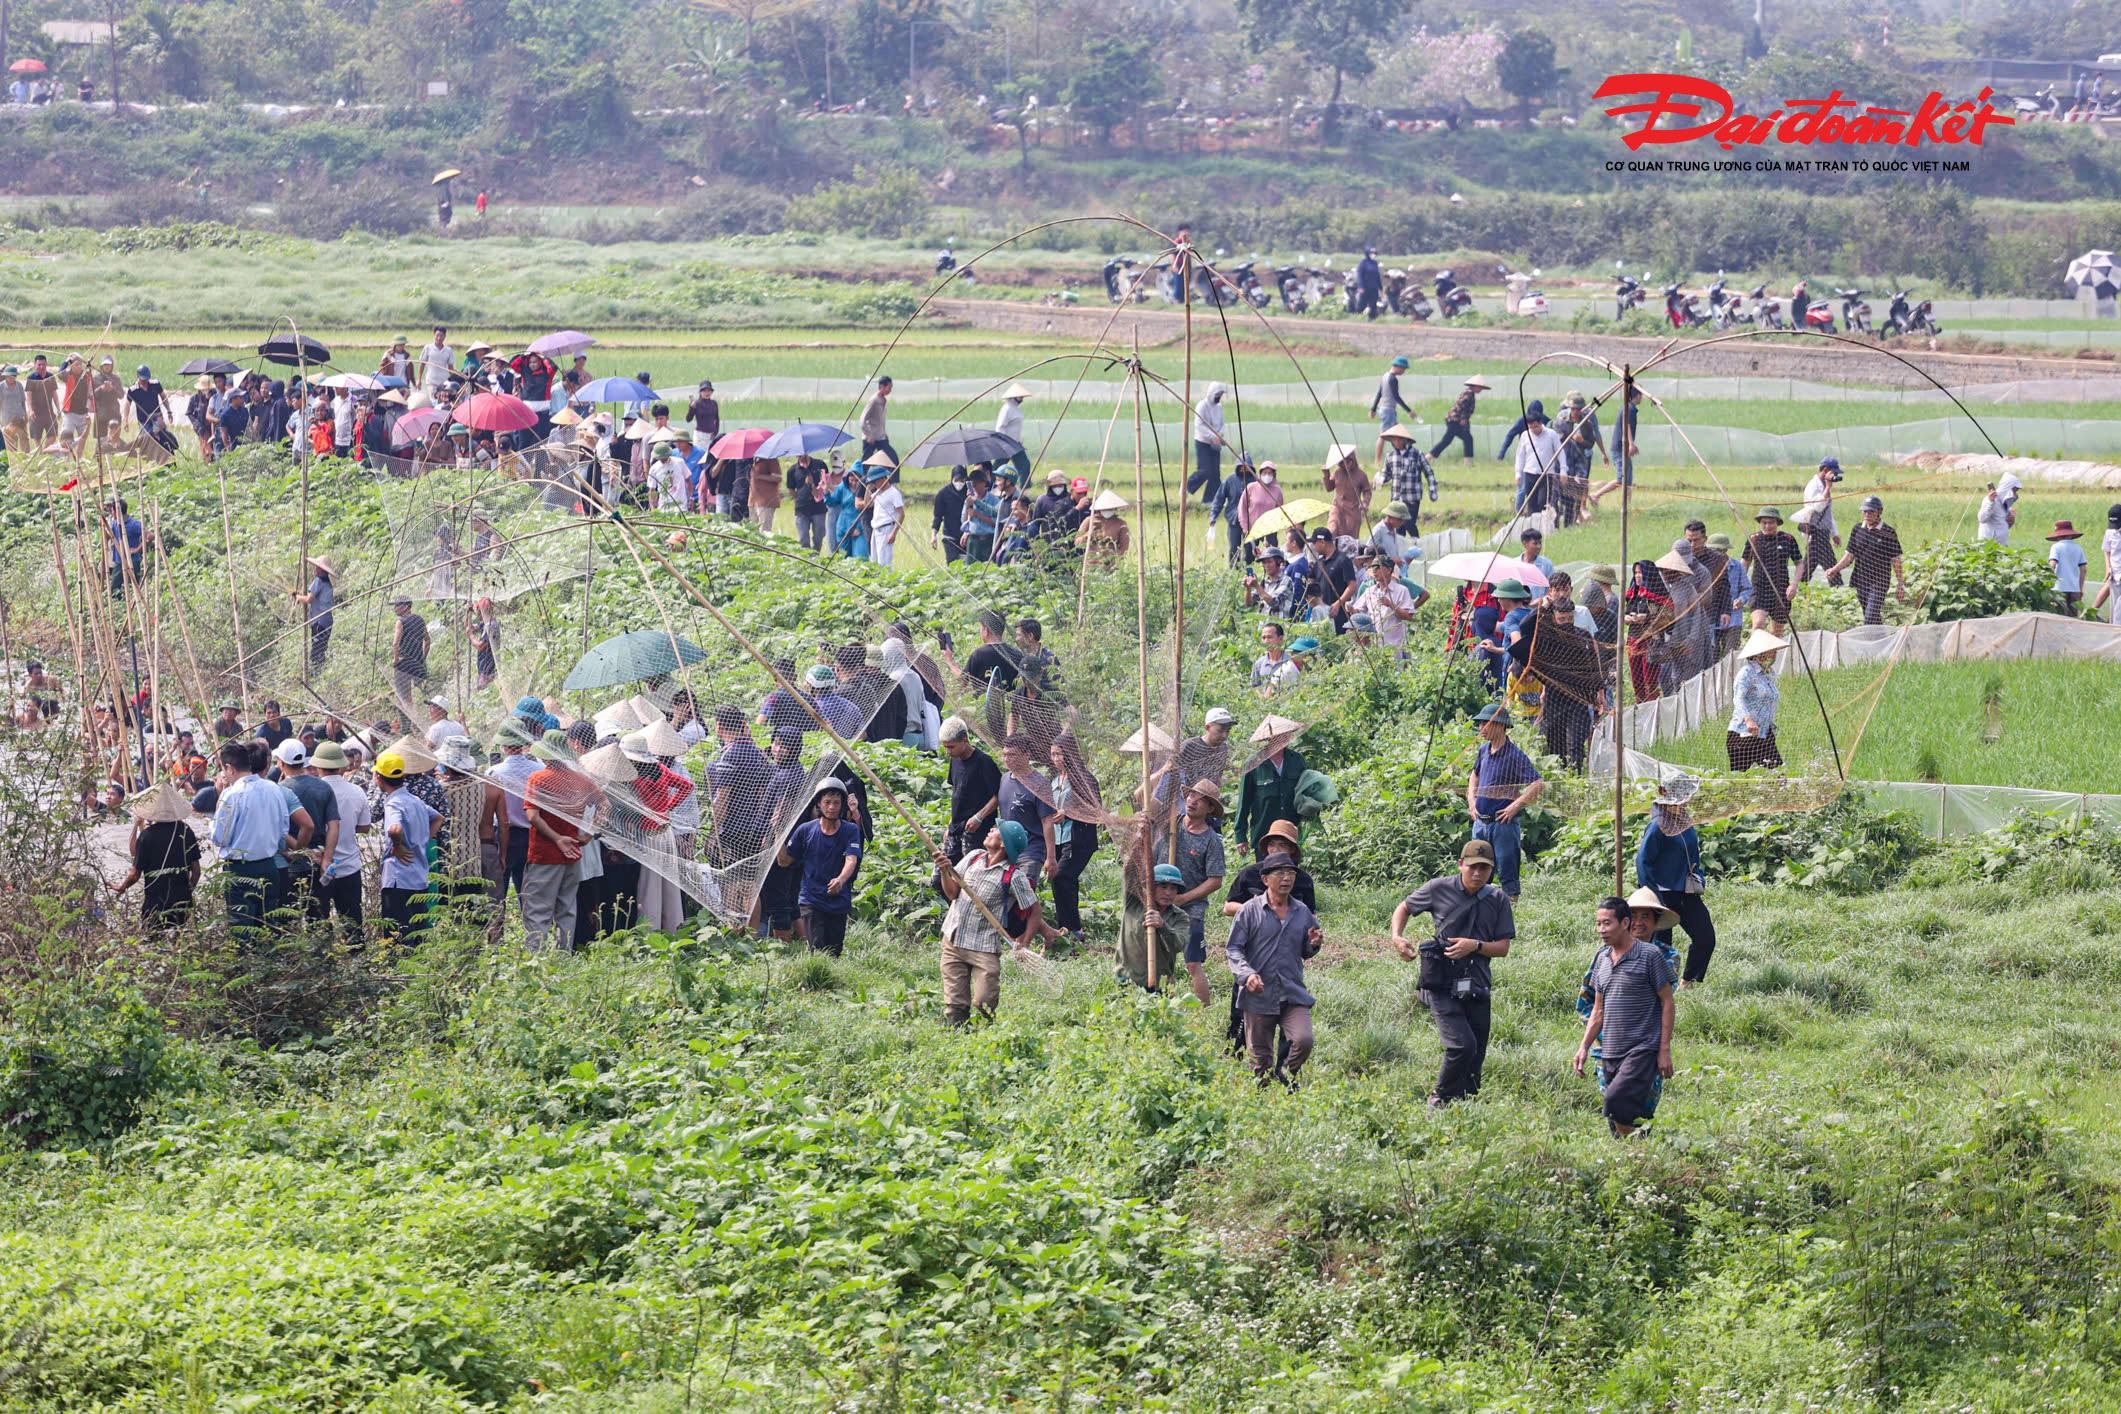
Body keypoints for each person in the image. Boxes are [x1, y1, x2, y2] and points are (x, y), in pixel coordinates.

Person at [1391, 837, 1515, 1108]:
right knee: (1461, 1046)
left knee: (1476, 1053)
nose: (1477, 873)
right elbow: (1405, 907)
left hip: (1478, 983)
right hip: (1441, 982)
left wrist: (1475, 946)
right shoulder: (1438, 888)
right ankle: (1439, 1099)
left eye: (1484, 868)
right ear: (1460, 864)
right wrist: (1397, 937)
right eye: (1472, 867)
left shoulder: (1498, 899)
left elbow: (1503, 948)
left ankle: (1465, 1108)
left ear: (1491, 870)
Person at [1572, 893, 1676, 1138]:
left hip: (1642, 1045)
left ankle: (1640, 1150)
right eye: (1598, 924)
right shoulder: (1603, 958)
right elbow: (1596, 1008)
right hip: (1609, 1047)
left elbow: (1667, 1001)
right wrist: (1584, 1046)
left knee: (1618, 1102)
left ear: (1623, 923)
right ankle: (1635, 1154)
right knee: (1617, 1110)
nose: (1601, 929)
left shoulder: (1656, 955)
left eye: (1606, 923)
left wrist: (1664, 1049)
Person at [1226, 853, 1323, 1086]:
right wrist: (1247, 974)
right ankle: (1263, 1097)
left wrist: (1313, 944)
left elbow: (1305, 952)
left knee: (1303, 1039)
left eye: (1290, 873)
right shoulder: (1249, 911)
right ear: (1265, 879)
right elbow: (1233, 949)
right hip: (1259, 994)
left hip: (1291, 991)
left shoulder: (1303, 913)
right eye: (1279, 873)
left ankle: (1285, 1075)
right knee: (1260, 1060)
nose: (1286, 878)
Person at [935, 820, 1038, 1024]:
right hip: (953, 939)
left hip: (984, 947)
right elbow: (953, 893)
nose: (990, 830)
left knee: (985, 1001)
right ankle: (958, 1036)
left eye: (996, 831)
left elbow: (1034, 910)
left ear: (1003, 844)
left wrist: (1024, 942)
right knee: (955, 1003)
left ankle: (986, 1035)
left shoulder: (1013, 876)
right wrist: (945, 871)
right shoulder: (974, 858)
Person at [1636, 778, 1716, 985]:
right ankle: (1659, 990)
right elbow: (1643, 861)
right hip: (1663, 895)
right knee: (1662, 946)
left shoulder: (1683, 819)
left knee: (1705, 938)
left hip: (1686, 893)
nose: (1688, 799)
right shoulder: (1658, 825)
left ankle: (1688, 982)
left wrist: (1699, 877)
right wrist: (1653, 896)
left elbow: (1694, 855)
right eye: (1684, 795)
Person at [1156, 780, 1228, 1006]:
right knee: (1162, 958)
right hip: (1161, 903)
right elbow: (1141, 796)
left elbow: (1215, 881)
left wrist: (1184, 898)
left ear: (1210, 809)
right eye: (1190, 796)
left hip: (1191, 908)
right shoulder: (1171, 823)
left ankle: (1203, 1012)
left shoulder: (1211, 841)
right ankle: (1168, 1006)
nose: (1192, 801)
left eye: (1200, 799)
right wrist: (1166, 770)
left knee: (1192, 962)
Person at [1465, 703, 1543, 900]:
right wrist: (1471, 801)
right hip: (1481, 823)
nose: (1481, 728)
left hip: (1503, 825)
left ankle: (1511, 913)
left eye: (1485, 724)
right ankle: (1480, 909)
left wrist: (1515, 806)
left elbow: (1538, 784)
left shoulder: (1514, 755)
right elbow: (1474, 776)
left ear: (1500, 725)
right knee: (1478, 870)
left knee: (1508, 871)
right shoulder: (1483, 751)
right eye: (1480, 724)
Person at [778, 780, 862, 956]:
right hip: (811, 900)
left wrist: (840, 879)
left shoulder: (850, 830)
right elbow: (784, 861)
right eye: (827, 802)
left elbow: (851, 860)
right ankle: (814, 981)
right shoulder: (805, 830)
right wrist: (778, 830)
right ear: (818, 804)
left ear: (842, 805)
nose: (832, 807)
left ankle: (830, 983)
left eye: (836, 803)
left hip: (839, 900)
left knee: (834, 952)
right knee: (817, 949)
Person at [114, 784, 203, 928]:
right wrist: (186, 892)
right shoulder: (187, 832)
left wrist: (121, 887)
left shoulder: (146, 836)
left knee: (153, 943)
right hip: (181, 903)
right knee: (178, 944)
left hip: (155, 903)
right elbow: (196, 872)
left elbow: (135, 874)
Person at [375, 750, 439, 942]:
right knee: (417, 934)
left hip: (398, 879)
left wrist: (398, 845)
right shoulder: (416, 801)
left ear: (379, 778)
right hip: (418, 877)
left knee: (398, 937)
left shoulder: (393, 803)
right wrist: (422, 839)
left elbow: (394, 829)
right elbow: (438, 817)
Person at [308, 741, 368, 937]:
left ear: (317, 766)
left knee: (319, 924)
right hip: (350, 867)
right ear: (342, 766)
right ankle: (358, 961)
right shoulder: (357, 792)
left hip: (318, 867)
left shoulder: (312, 792)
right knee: (352, 923)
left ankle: (325, 964)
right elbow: (365, 827)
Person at [1826, 495, 1906, 626]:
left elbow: (1895, 560)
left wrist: (1900, 584)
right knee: (1872, 618)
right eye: (1864, 511)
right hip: (1861, 580)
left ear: (1880, 511)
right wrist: (1834, 569)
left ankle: (1871, 644)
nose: (1867, 514)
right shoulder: (1858, 529)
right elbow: (1849, 556)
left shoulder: (1888, 532)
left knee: (1869, 617)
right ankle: (1883, 641)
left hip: (1880, 582)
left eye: (1871, 511)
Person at [1233, 715, 1307, 855]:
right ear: (1269, 738)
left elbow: (1305, 792)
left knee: (1288, 873)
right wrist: (1240, 836)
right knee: (1266, 873)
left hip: (1290, 832)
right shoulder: (1254, 763)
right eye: (1280, 735)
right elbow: (1244, 802)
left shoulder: (1297, 760)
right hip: (1264, 834)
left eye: (1286, 734)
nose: (1285, 738)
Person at [1117, 863, 1188, 992]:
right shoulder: (1134, 903)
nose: (1168, 893)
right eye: (1163, 887)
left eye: (1173, 888)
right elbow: (1130, 872)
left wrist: (1162, 926)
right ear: (1151, 887)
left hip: (1159, 983)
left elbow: (1178, 945)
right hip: (1127, 980)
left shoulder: (1180, 916)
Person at [941, 715, 1001, 862]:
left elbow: (999, 795)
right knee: (943, 873)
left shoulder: (984, 762)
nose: (948, 751)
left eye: (951, 747)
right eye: (945, 747)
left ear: (965, 740)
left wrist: (979, 816)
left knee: (970, 873)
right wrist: (950, 825)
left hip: (976, 830)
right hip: (956, 827)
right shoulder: (954, 760)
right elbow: (957, 794)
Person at [1727, 627, 1787, 770]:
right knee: (1742, 779)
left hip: (1764, 733)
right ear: (1760, 654)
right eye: (1772, 652)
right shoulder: (1747, 673)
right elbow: (1738, 699)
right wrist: (1748, 720)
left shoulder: (1768, 674)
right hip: (1744, 734)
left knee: (1778, 774)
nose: (1774, 655)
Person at [1742, 507, 1805, 631]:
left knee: (1777, 632)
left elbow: (1799, 563)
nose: (1767, 526)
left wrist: (1794, 585)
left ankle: (1771, 651)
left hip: (1781, 589)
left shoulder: (1788, 539)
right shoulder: (1753, 539)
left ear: (1777, 522)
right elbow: (1744, 563)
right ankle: (1757, 650)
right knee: (1758, 624)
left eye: (1771, 522)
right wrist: (1741, 586)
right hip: (1759, 589)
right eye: (1764, 523)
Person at [1353, 553, 1422, 655]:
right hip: (1374, 647)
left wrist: (1391, 605)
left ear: (1389, 570)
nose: (1374, 571)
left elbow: (1409, 616)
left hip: (1395, 647)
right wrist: (1350, 609)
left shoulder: (1401, 591)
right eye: (1373, 568)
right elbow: (1357, 611)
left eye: (1378, 568)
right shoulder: (1369, 591)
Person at [1378, 427, 1437, 537]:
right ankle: (1401, 551)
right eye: (1393, 440)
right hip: (1396, 499)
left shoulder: (1417, 454)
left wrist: (1432, 490)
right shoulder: (1390, 456)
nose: (1396, 442)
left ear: (1405, 440)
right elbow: (1386, 474)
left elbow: (1428, 472)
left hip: (1412, 498)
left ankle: (1417, 544)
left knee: (1409, 523)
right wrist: (1380, 479)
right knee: (1398, 528)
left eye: (1398, 440)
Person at [1795, 458, 1844, 588]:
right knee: (1833, 570)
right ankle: (1838, 592)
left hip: (1823, 533)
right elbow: (1817, 507)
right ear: (1826, 470)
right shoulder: (1814, 486)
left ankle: (1797, 590)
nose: (1835, 476)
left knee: (1807, 568)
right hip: (1816, 533)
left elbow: (1828, 513)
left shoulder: (1823, 485)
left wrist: (1834, 533)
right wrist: (1827, 488)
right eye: (1834, 472)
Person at [1511, 405, 1564, 515]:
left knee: (1542, 502)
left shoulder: (1551, 434)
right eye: (1531, 427)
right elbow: (1520, 455)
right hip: (1530, 473)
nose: (1534, 430)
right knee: (1532, 505)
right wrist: (1518, 473)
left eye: (1535, 427)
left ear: (1540, 423)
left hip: (1547, 475)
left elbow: (1560, 453)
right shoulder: (1525, 435)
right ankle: (1534, 528)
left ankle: (1544, 525)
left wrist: (1563, 471)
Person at [1430, 375, 1489, 462]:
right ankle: (1428, 457)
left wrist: (1465, 421)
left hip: (1457, 421)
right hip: (1455, 421)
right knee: (1447, 440)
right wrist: (1463, 418)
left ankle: (1468, 463)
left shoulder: (1470, 393)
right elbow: (1462, 406)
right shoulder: (1468, 393)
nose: (1481, 389)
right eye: (1480, 387)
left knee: (1467, 439)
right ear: (1475, 386)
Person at [1190, 383, 1229, 504]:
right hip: (1203, 442)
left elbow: (1222, 424)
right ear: (1212, 393)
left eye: (1221, 395)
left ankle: (1208, 500)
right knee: (1205, 470)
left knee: (1215, 474)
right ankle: (1187, 487)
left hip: (1216, 444)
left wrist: (1220, 435)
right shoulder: (1202, 406)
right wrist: (1212, 437)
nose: (1219, 397)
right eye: (1218, 394)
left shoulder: (1219, 407)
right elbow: (1199, 425)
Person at [1323, 445, 1372, 540]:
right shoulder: (1337, 473)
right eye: (1342, 462)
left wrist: (1365, 503)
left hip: (1352, 510)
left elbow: (1367, 491)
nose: (1345, 464)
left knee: (1349, 539)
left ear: (1353, 460)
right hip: (1337, 508)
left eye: (1348, 461)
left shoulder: (1361, 475)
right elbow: (1329, 488)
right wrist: (1326, 475)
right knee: (1332, 530)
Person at [390, 597, 429, 710]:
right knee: (423, 694)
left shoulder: (400, 621)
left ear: (406, 606)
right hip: (418, 663)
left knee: (405, 698)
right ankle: (425, 715)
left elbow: (395, 644)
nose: (395, 608)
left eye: (397, 605)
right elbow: (427, 640)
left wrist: (396, 659)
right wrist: (423, 657)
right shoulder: (420, 620)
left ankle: (412, 723)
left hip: (404, 664)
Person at [867, 460, 905, 567]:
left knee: (884, 563)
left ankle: (886, 582)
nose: (874, 484)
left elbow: (901, 514)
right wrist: (868, 489)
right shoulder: (877, 493)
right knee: (874, 560)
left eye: (875, 481)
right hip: (875, 529)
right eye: (872, 482)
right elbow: (867, 505)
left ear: (883, 478)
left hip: (886, 529)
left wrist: (893, 533)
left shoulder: (894, 493)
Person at [1369, 355, 1412, 450]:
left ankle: (1400, 452)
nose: (1403, 372)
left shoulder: (1385, 376)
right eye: (1403, 369)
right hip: (1388, 411)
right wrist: (1409, 411)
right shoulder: (1393, 379)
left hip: (1385, 410)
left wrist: (1373, 409)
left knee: (1398, 434)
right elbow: (1396, 397)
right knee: (1383, 435)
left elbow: (1379, 393)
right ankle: (1377, 461)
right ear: (1398, 367)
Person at [2048, 520, 2089, 614]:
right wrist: (2080, 589)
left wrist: (2048, 584)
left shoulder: (2056, 547)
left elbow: (2052, 565)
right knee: (2073, 618)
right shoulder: (2078, 548)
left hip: (2059, 589)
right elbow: (2083, 570)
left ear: (2058, 535)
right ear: (2071, 534)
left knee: (2059, 617)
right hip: (2074, 589)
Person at [930, 466, 969, 561]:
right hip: (949, 536)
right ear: (952, 479)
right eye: (956, 480)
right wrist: (933, 535)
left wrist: (967, 532)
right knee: (953, 563)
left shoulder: (970, 493)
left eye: (962, 480)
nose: (959, 482)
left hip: (966, 535)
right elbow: (938, 516)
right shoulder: (943, 494)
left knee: (967, 564)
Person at [859, 376, 897, 466]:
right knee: (866, 462)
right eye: (889, 387)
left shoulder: (883, 400)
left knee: (892, 459)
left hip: (880, 437)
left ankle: (891, 479)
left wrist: (884, 433)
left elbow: (879, 421)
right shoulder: (874, 400)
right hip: (871, 438)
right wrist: (869, 435)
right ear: (882, 387)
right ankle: (860, 479)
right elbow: (863, 419)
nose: (890, 390)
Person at [2095, 505, 2121, 625]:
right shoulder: (2110, 532)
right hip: (2115, 575)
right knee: (2115, 608)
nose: (2116, 529)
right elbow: (2107, 550)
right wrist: (2108, 568)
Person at [419, 328, 455, 395]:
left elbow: (451, 368)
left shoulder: (448, 350)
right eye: (437, 335)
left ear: (444, 336)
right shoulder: (428, 348)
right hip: (431, 382)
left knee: (443, 400)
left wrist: (454, 380)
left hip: (444, 382)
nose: (439, 338)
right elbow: (422, 365)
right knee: (432, 401)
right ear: (434, 335)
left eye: (441, 336)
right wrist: (419, 380)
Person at [1353, 250, 1385, 321]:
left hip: (1374, 288)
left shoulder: (1375, 263)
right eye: (1371, 253)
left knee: (1373, 305)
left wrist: (1380, 288)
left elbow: (1377, 277)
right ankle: (1357, 318)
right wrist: (1360, 286)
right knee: (1362, 304)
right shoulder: (1363, 263)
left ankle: (1372, 320)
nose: (1373, 255)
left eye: (1374, 253)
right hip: (1365, 288)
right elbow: (1360, 276)